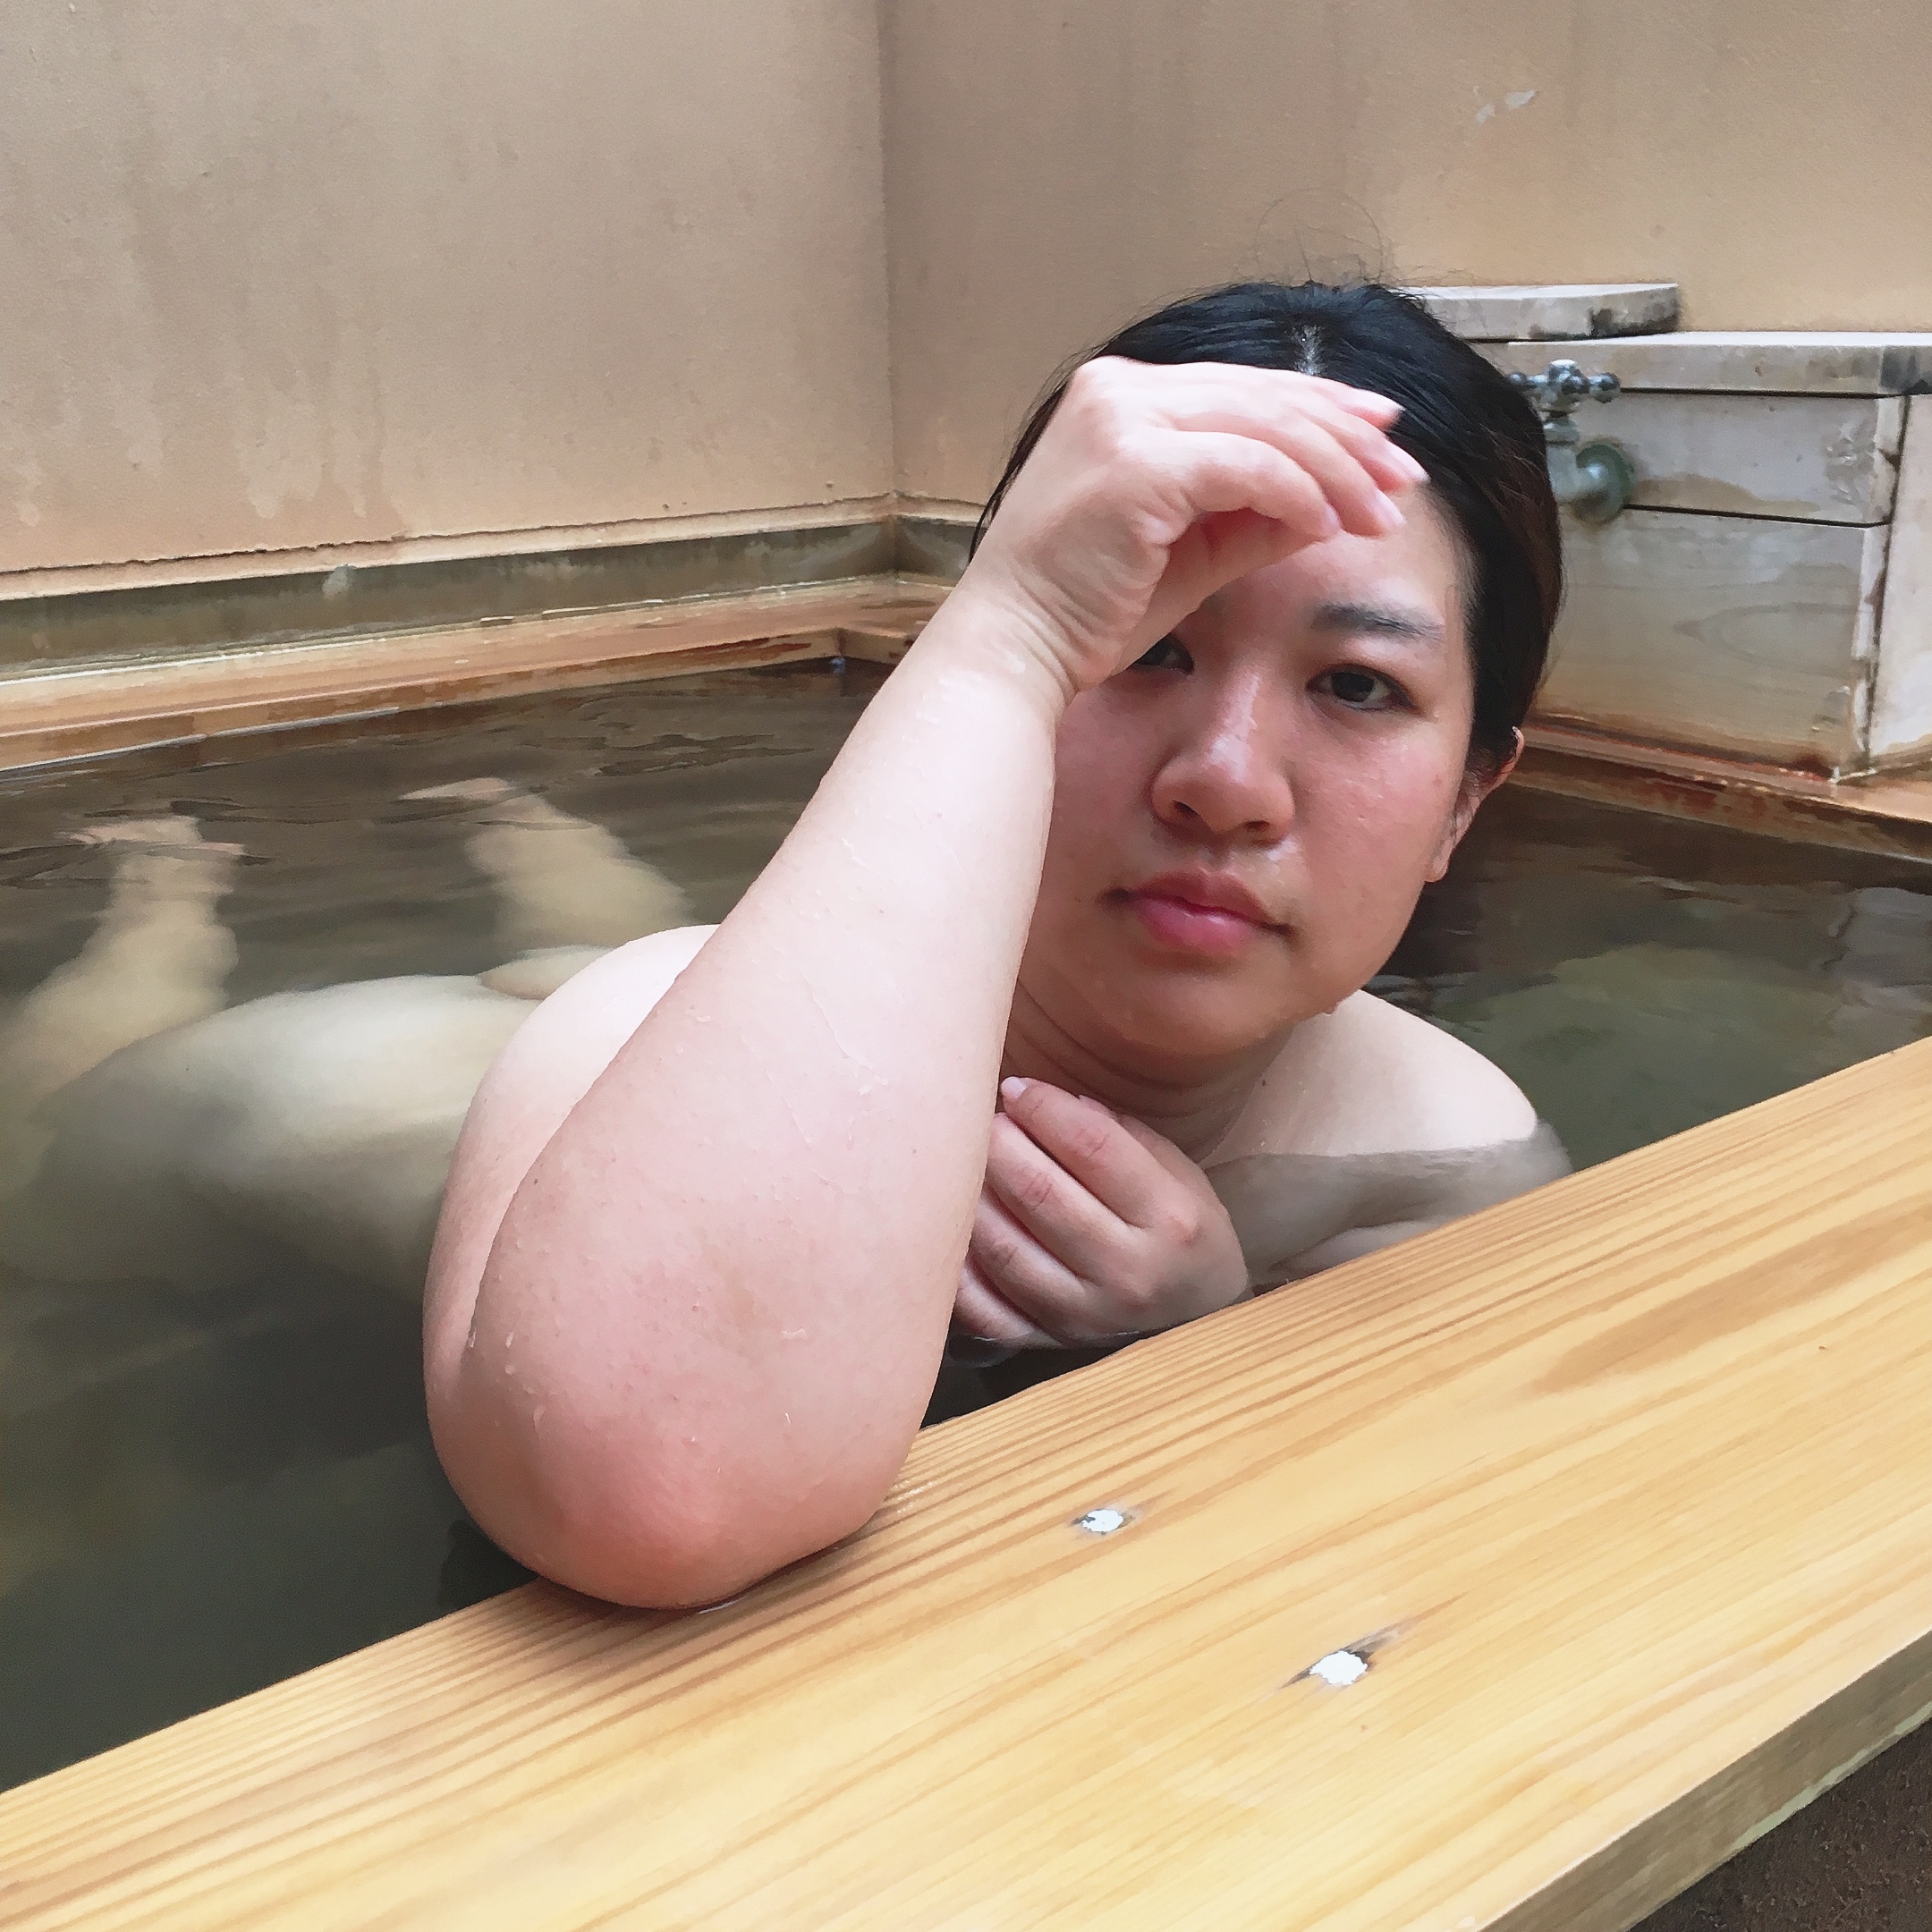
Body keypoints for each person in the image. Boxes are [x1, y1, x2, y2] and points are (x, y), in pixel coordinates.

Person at [424, 280, 1572, 1612]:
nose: (1225, 781)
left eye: (1358, 685)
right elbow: (645, 1482)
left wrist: (1213, 1335)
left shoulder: (1451, 1155)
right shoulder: (622, 1032)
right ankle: (419, 851)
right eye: (1144, 643)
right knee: (336, 1038)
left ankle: (529, 842)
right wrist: (1003, 640)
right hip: (421, 1091)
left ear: (1466, 802)